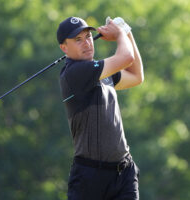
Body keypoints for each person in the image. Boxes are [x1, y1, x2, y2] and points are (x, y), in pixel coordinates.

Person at [57, 16, 144, 200]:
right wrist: (119, 34)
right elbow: (125, 57)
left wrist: (127, 33)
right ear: (64, 48)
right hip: (89, 178)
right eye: (78, 40)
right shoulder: (75, 73)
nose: (87, 43)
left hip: (123, 173)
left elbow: (136, 76)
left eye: (88, 36)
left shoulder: (100, 71)